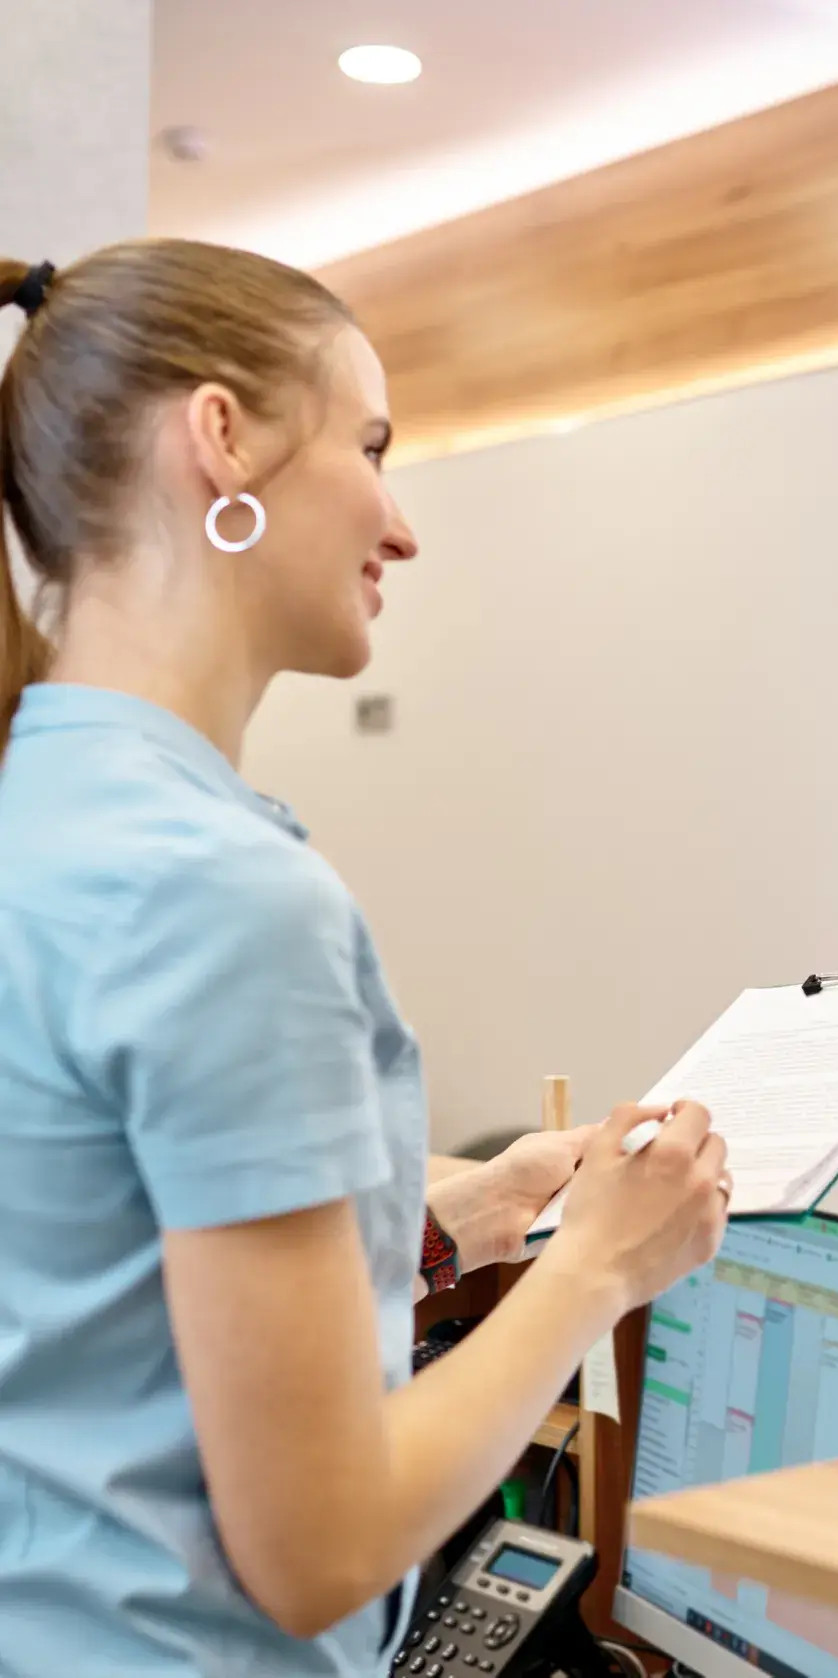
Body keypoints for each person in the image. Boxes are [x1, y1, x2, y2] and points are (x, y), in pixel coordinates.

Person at [0, 242, 729, 1677]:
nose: (401, 527)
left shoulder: (46, 810)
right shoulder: (221, 897)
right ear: (220, 439)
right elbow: (318, 1548)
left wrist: (464, 1214)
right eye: (373, 448)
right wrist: (597, 1267)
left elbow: (93, 1279)